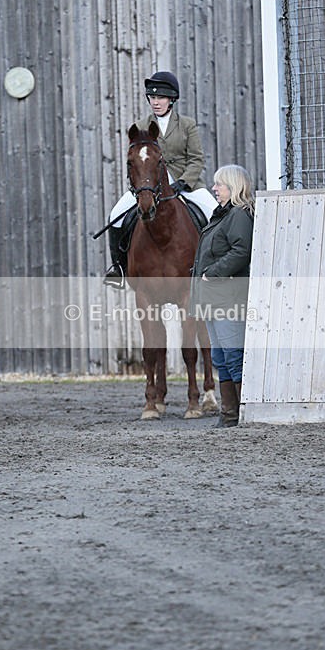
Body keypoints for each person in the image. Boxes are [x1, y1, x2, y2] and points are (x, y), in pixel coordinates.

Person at [104, 71, 217, 287]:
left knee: (214, 213)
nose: (156, 102)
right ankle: (117, 268)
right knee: (116, 215)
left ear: (172, 99)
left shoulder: (187, 125)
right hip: (149, 185)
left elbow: (196, 159)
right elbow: (135, 160)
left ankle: (215, 266)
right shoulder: (140, 126)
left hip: (186, 185)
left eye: (161, 98)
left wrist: (184, 181)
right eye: (153, 98)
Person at [190, 164, 255, 427]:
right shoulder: (220, 215)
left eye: (220, 184)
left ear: (234, 186)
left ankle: (242, 416)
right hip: (212, 297)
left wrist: (212, 273)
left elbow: (242, 251)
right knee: (219, 357)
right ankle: (228, 414)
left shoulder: (239, 215)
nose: (214, 189)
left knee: (233, 354)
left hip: (228, 296)